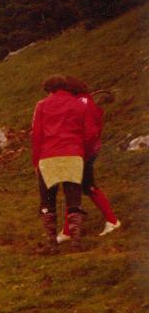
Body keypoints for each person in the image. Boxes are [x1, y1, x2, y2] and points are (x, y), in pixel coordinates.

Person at [31, 75, 98, 252]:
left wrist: (35, 161)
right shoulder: (78, 105)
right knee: (74, 198)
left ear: (48, 89)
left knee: (47, 201)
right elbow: (90, 132)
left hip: (48, 156)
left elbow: (37, 135)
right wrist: (83, 152)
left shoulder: (42, 105)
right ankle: (76, 240)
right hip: (73, 154)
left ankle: (51, 242)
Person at [57, 76, 121, 242]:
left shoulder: (82, 103)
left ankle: (113, 221)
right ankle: (67, 230)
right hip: (83, 152)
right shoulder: (83, 101)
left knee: (86, 187)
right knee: (74, 188)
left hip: (82, 153)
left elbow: (90, 132)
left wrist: (78, 151)